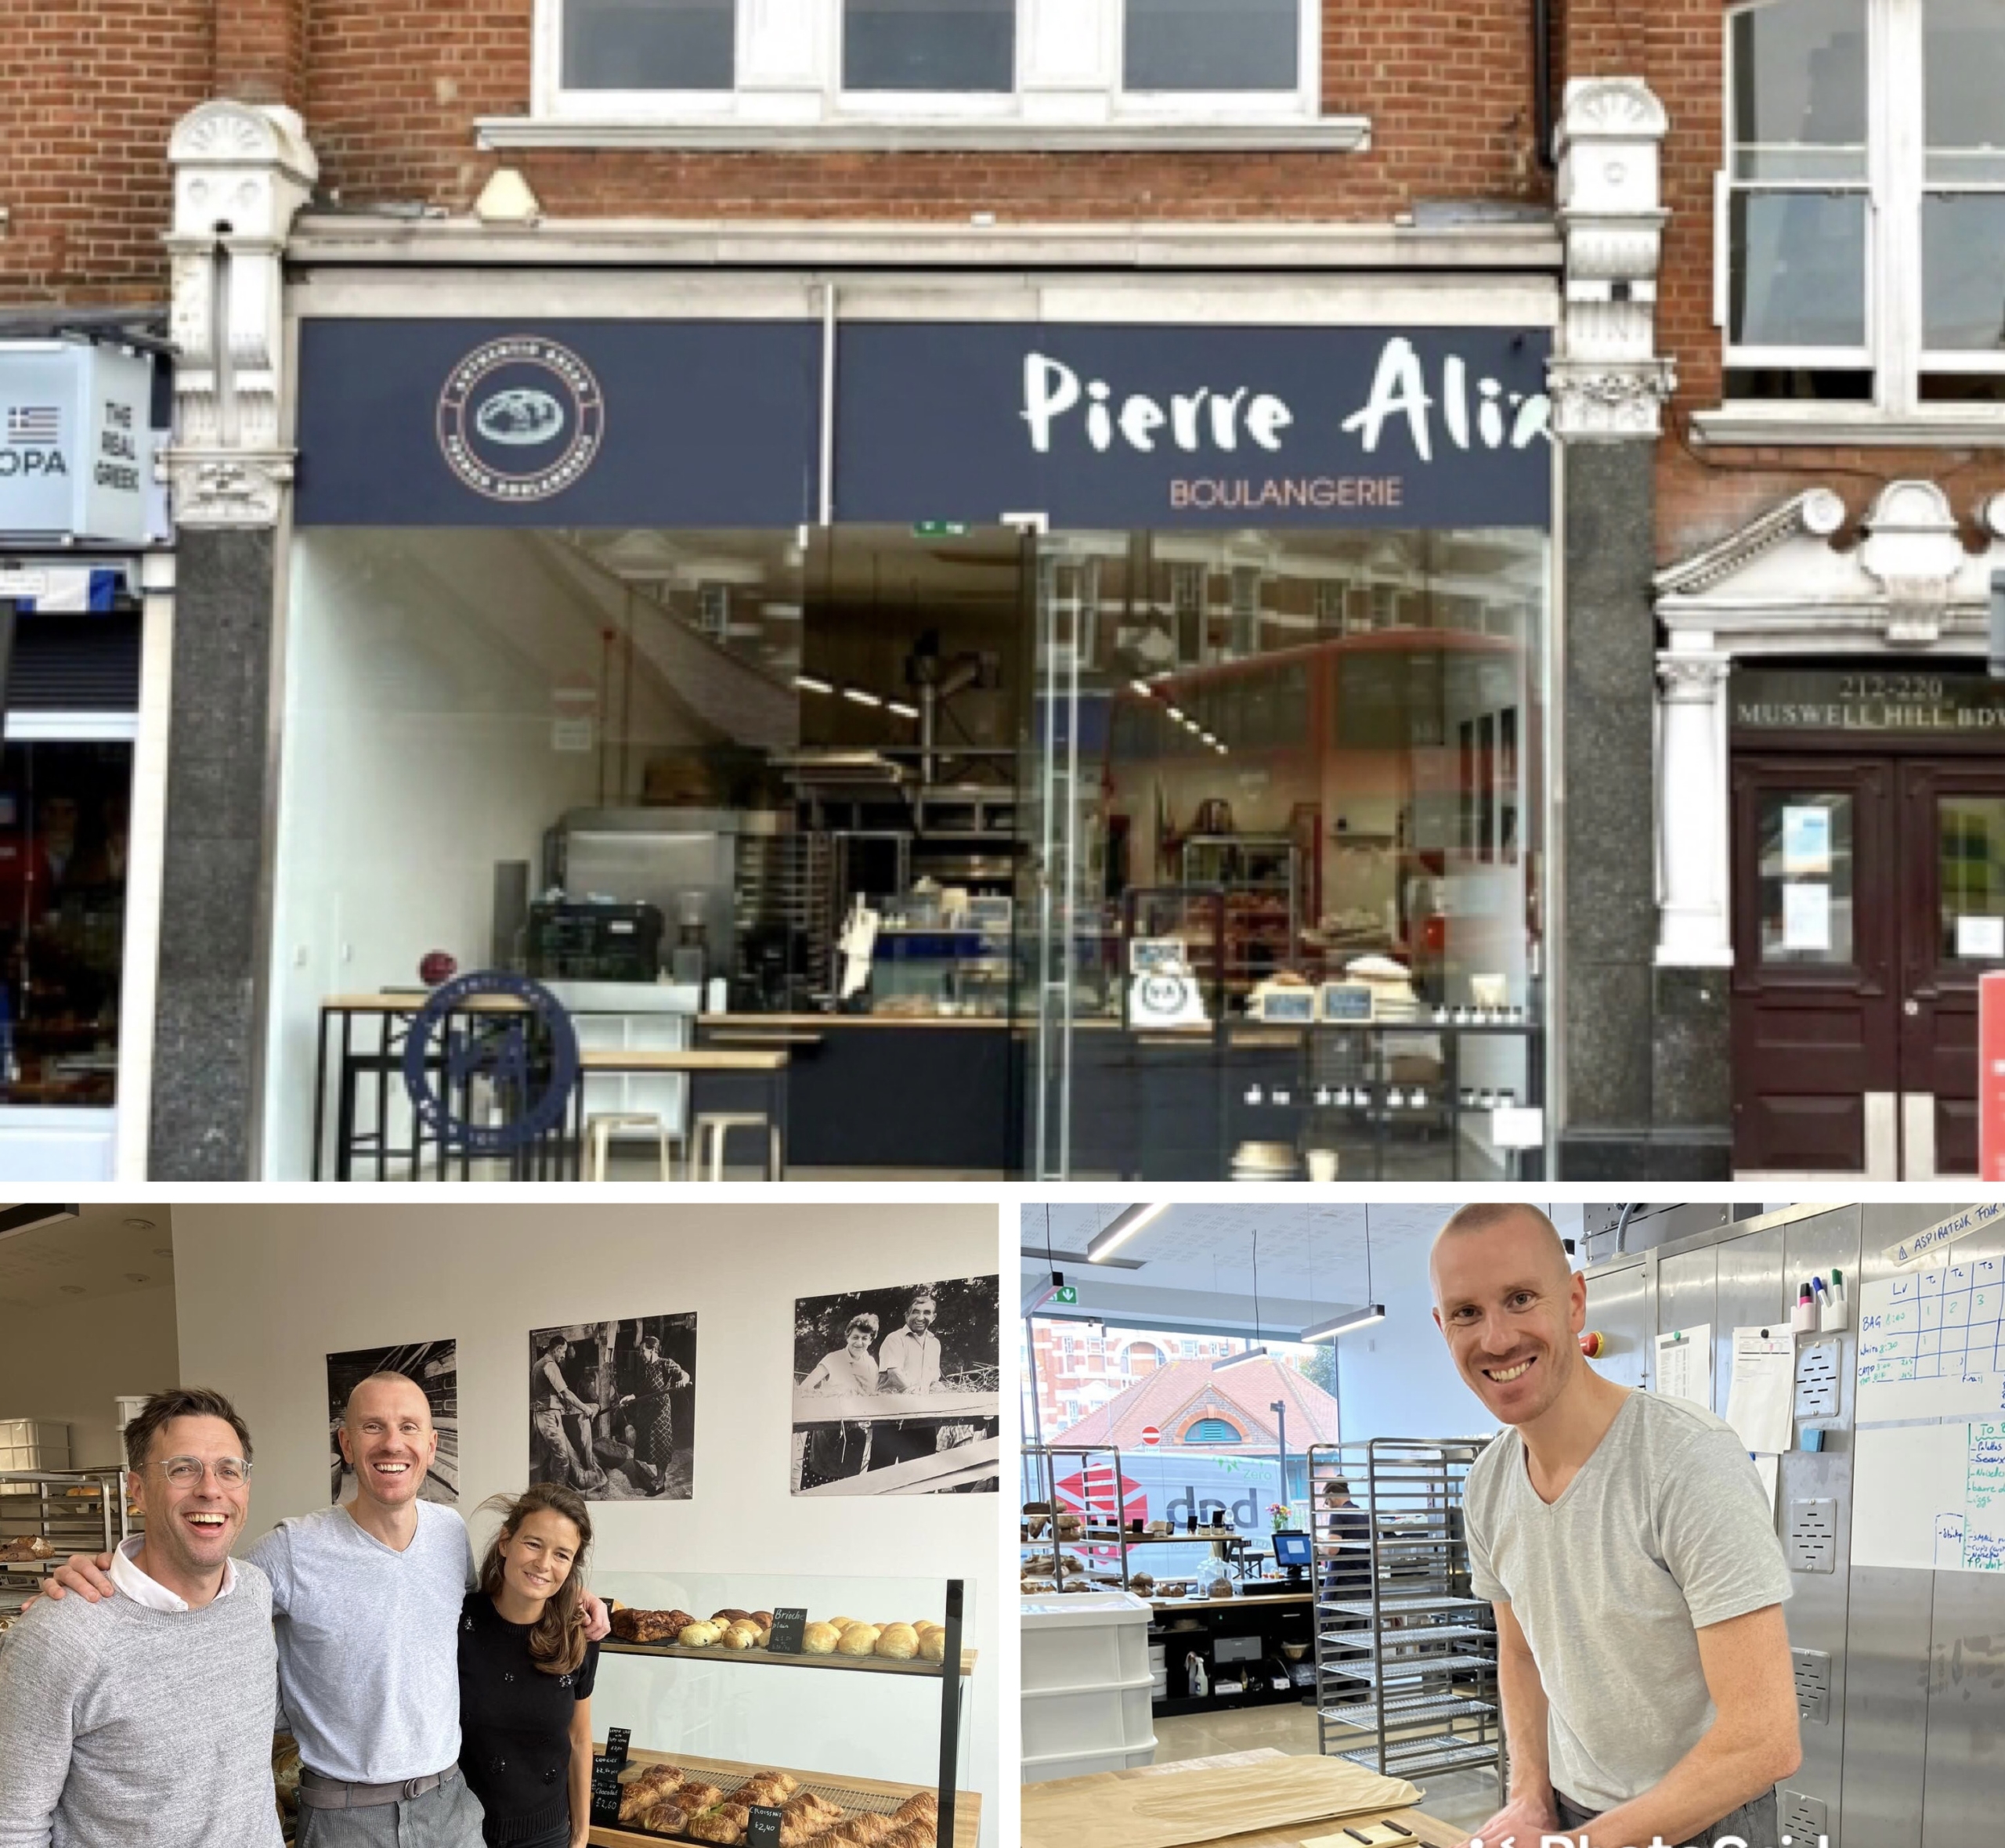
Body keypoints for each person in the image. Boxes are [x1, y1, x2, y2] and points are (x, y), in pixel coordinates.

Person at [46, 1369, 611, 1848]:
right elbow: (197, 1585)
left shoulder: (449, 1534)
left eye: (408, 1427)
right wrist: (109, 1574)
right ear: (346, 1444)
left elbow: (489, 1608)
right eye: (373, 1427)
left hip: (451, 1809)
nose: (393, 1443)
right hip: (346, 1819)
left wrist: (568, 1597)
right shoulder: (293, 1548)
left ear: (431, 1446)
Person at [1430, 1204, 1800, 1848]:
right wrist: (1529, 1797)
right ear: (1443, 1328)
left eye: (1521, 1298)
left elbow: (1765, 1740)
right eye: (1466, 1313)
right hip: (1574, 1813)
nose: (1495, 1339)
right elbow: (1520, 1655)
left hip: (1705, 1821)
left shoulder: (1686, 1461)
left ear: (1575, 1303)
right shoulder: (1487, 1484)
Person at [0, 1387, 282, 1848]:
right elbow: (12, 1826)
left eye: (229, 1471)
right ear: (138, 1491)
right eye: (183, 1469)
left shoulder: (253, 1593)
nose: (211, 1489)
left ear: (245, 1489)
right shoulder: (60, 1636)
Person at [459, 1485, 599, 1848]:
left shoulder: (578, 1635)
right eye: (533, 1544)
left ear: (571, 1567)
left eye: (562, 1555)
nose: (544, 1564)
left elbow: (580, 1739)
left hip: (547, 1835)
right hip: (458, 1831)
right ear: (506, 1542)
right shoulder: (459, 1621)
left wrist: (581, 1836)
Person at [799, 1313, 881, 1488]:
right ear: (848, 1336)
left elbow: (871, 1395)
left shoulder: (871, 1364)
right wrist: (831, 1397)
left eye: (865, 1338)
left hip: (855, 1432)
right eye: (855, 1337)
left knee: (847, 1482)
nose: (859, 1342)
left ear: (871, 1340)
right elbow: (805, 1387)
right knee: (821, 1481)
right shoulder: (833, 1359)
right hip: (828, 1429)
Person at [532, 1337, 605, 1494]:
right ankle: (559, 1495)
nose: (564, 1356)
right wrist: (585, 1408)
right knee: (562, 1459)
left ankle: (543, 1494)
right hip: (549, 1417)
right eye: (563, 1351)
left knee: (545, 1460)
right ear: (557, 1349)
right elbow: (566, 1394)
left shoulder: (537, 1365)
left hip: (538, 1417)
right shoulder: (550, 1365)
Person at [621, 1331, 691, 1492]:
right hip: (647, 1411)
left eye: (642, 1351)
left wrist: (683, 1381)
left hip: (661, 1412)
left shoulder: (665, 1364)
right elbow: (641, 1391)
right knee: (650, 1445)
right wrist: (630, 1397)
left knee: (661, 1444)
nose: (640, 1354)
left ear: (652, 1350)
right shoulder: (646, 1369)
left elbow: (684, 1374)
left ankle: (660, 1482)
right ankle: (658, 1476)